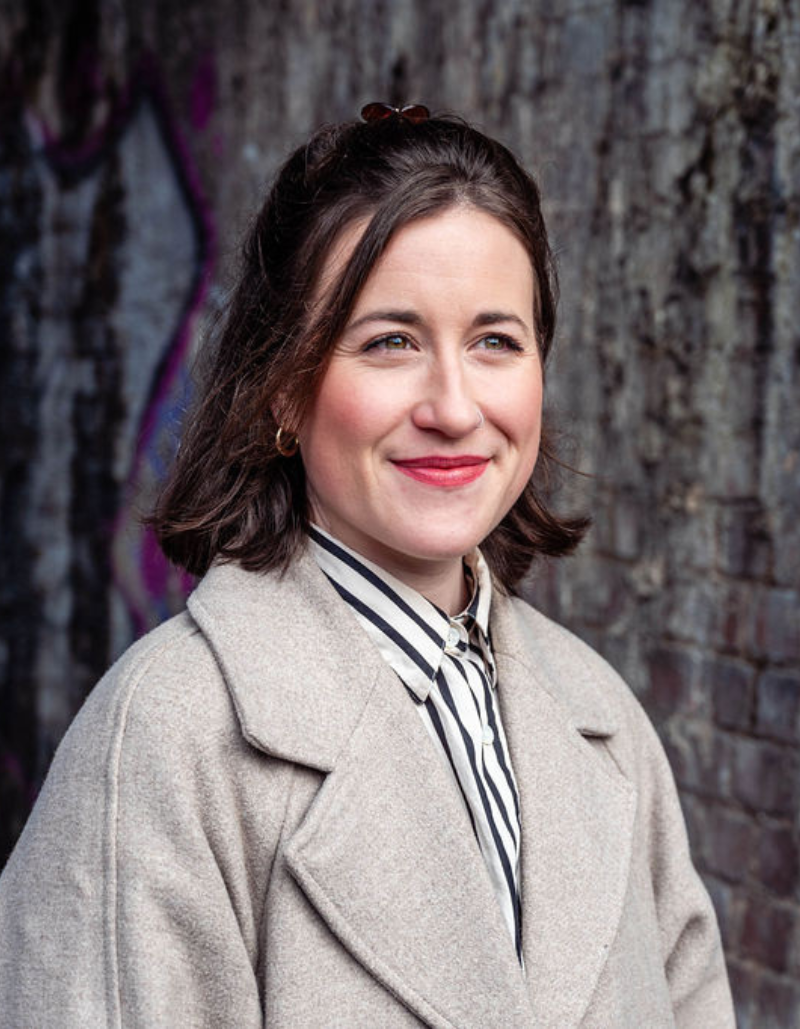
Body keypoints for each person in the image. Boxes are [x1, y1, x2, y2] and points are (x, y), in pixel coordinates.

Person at [0, 103, 734, 1028]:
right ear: (283, 389)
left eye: (495, 341)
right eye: (391, 340)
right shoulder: (163, 742)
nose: (455, 406)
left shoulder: (604, 721)